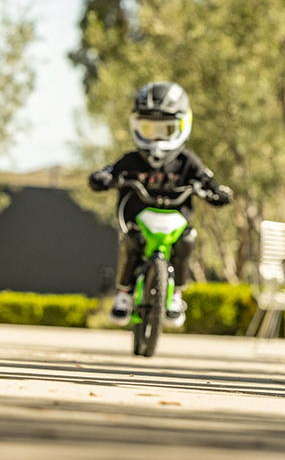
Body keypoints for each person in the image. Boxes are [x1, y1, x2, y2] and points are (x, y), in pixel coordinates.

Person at [89, 82, 233, 328]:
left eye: (165, 129)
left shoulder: (187, 161)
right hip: (138, 220)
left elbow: (208, 180)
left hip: (175, 223)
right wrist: (103, 178)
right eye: (149, 128)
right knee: (131, 241)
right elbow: (109, 172)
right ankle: (123, 293)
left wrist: (217, 191)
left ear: (181, 126)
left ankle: (176, 294)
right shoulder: (131, 160)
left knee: (187, 240)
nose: (156, 136)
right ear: (137, 126)